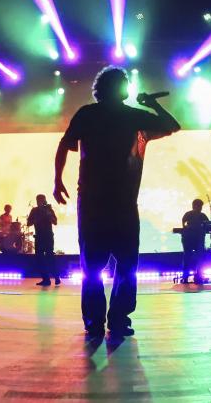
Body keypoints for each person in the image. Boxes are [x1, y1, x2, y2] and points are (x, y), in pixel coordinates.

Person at [54, 66, 180, 338]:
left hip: (99, 202)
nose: (126, 86)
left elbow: (65, 144)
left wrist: (58, 181)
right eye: (123, 81)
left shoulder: (100, 115)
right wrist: (153, 105)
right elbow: (172, 126)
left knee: (99, 266)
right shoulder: (109, 115)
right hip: (108, 202)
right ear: (111, 86)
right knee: (117, 265)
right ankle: (114, 320)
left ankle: (98, 321)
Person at [27, 194, 59, 286]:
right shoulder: (34, 210)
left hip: (48, 236)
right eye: (39, 200)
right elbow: (29, 223)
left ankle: (56, 277)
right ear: (37, 201)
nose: (40, 202)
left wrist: (48, 214)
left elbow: (55, 222)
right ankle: (46, 279)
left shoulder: (48, 210)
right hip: (39, 237)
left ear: (44, 201)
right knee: (40, 258)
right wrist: (35, 220)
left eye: (42, 200)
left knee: (50, 256)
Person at [180, 199, 211, 284]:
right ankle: (193, 277)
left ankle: (192, 277)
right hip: (190, 239)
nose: (200, 208)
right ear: (194, 206)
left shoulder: (201, 215)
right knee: (191, 257)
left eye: (201, 206)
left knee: (191, 257)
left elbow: (208, 224)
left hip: (193, 239)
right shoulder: (192, 214)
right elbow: (184, 224)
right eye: (199, 206)